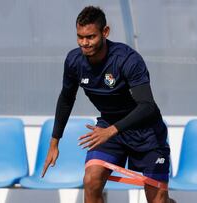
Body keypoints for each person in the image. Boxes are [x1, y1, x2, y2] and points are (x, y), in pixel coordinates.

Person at [41, 5, 175, 203]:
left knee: (157, 200)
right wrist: (54, 142)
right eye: (80, 37)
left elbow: (147, 106)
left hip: (146, 133)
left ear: (105, 32)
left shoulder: (127, 60)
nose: (84, 43)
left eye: (91, 37)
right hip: (109, 127)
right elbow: (66, 98)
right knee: (91, 180)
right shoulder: (74, 61)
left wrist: (112, 130)